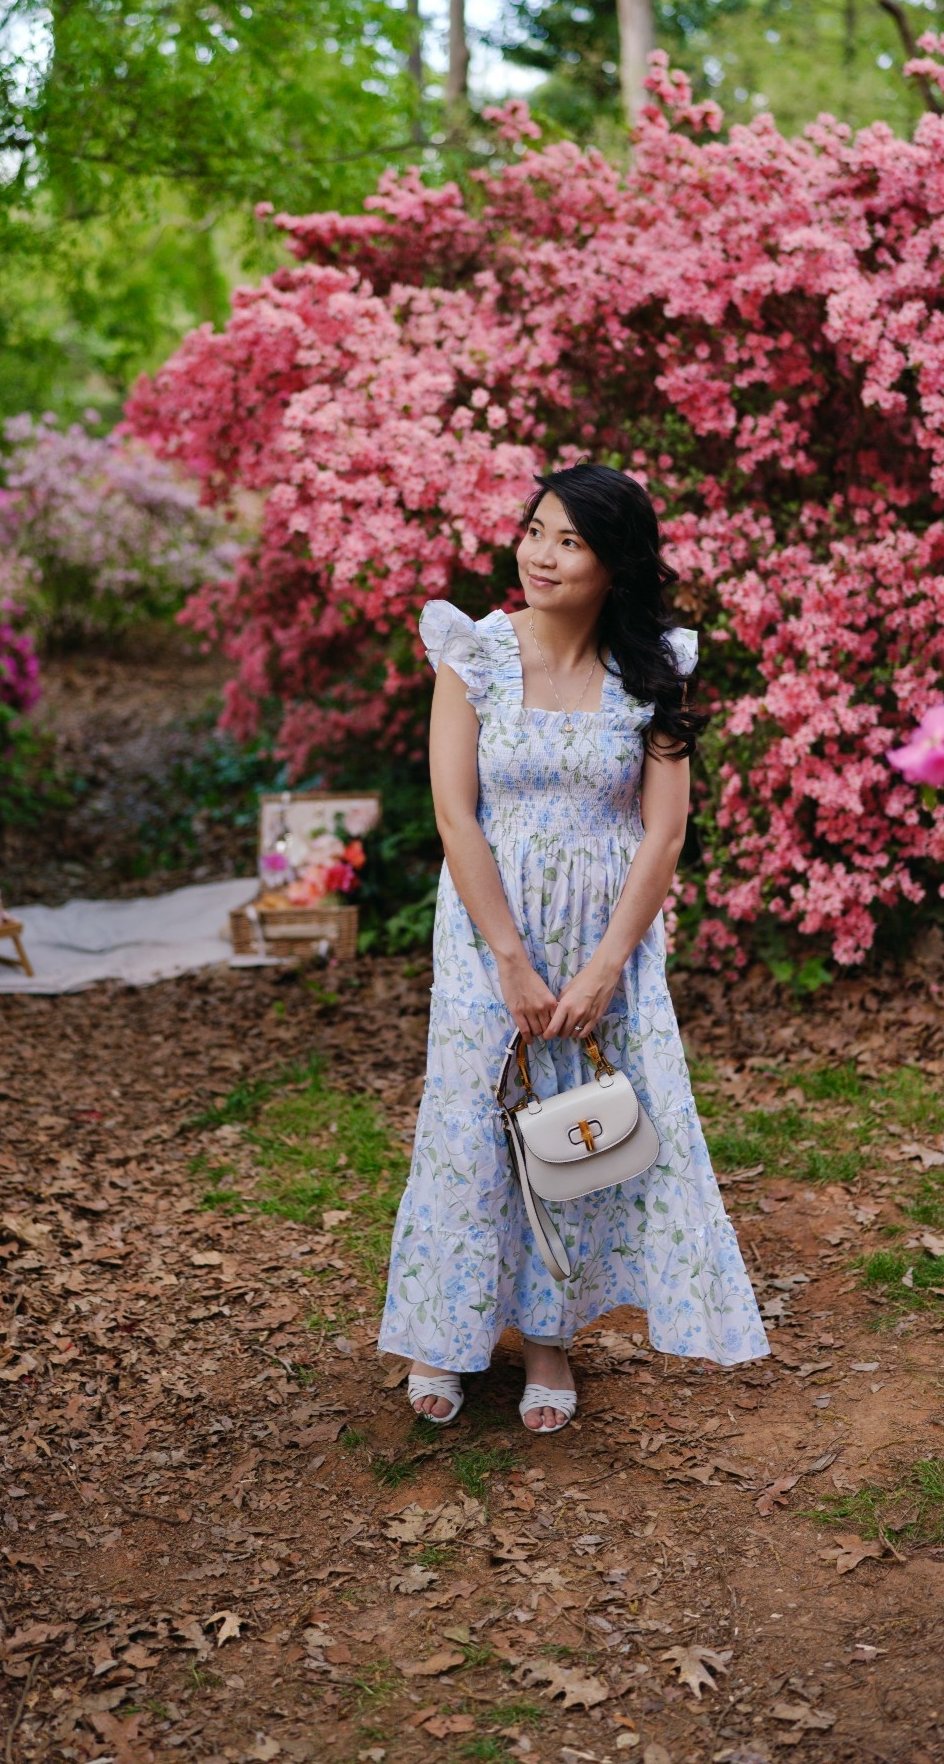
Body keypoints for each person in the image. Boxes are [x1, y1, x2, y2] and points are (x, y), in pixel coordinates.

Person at [378, 462, 768, 1433]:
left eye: (570, 541)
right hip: (487, 928)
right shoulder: (474, 651)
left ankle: (551, 1334)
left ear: (614, 564)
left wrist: (602, 967)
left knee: (577, 1133)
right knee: (474, 1122)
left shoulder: (653, 671)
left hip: (607, 936)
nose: (541, 554)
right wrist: (508, 956)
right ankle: (445, 1332)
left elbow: (663, 834)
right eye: (535, 529)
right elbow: (454, 813)